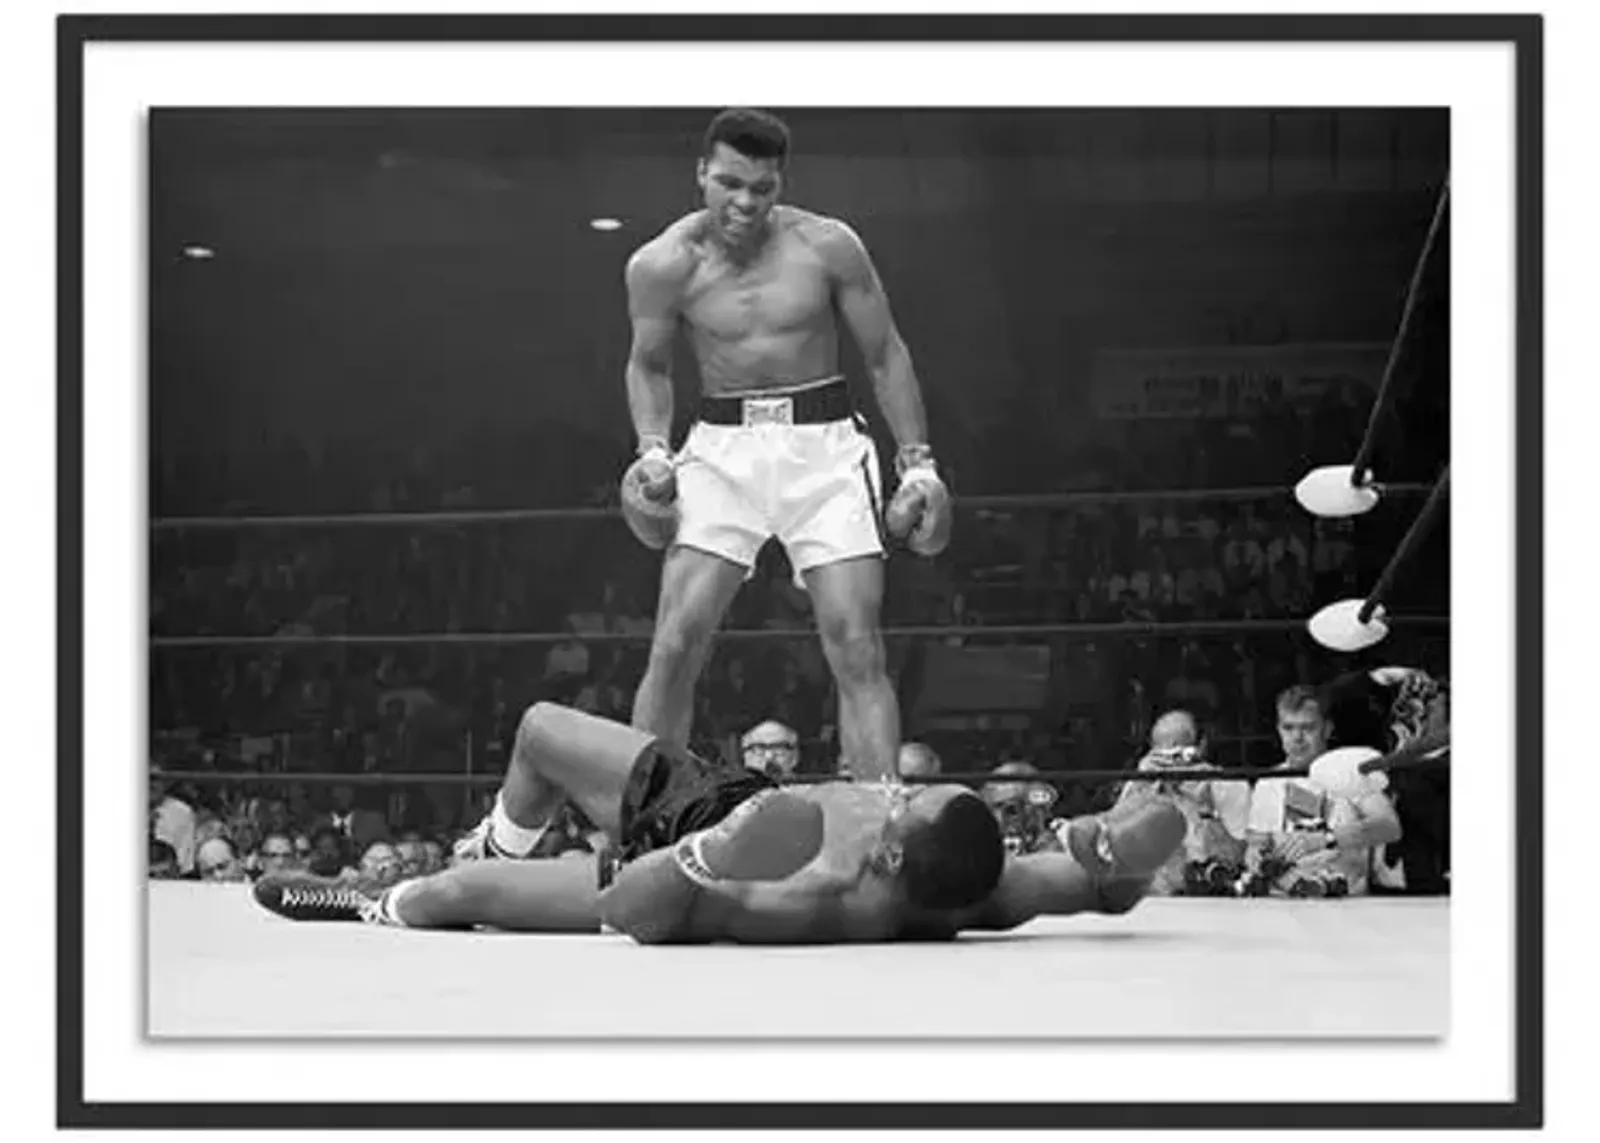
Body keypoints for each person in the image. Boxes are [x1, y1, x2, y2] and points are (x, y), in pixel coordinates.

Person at [615, 107, 952, 785]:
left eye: (761, 187)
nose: (744, 201)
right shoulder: (661, 264)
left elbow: (885, 354)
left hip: (824, 448)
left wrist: (918, 461)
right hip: (720, 448)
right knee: (676, 640)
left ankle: (879, 822)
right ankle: (645, 821)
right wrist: (653, 448)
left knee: (856, 643)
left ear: (780, 183)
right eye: (730, 183)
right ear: (703, 174)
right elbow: (648, 364)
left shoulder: (827, 246)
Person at [254, 703, 1185, 944]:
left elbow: (631, 911)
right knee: (541, 728)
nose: (888, 792)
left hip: (679, 856)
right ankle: (490, 836)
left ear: (894, 850)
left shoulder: (807, 894)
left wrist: (709, 853)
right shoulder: (983, 885)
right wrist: (1114, 854)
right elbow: (1073, 886)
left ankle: (365, 899)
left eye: (902, 802)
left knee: (458, 894)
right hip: (720, 793)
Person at [1112, 710, 1250, 896]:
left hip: (1212, 901)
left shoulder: (1229, 786)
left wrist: (1201, 806)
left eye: (1179, 753)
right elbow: (1111, 855)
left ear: (1201, 747)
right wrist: (1139, 785)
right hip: (1151, 903)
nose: (1172, 764)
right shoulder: (1140, 786)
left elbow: (1238, 859)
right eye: (1164, 754)